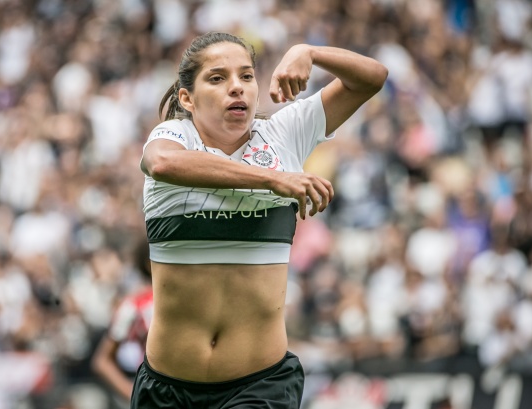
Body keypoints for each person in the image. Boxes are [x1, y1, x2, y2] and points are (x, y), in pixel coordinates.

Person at [134, 32, 388, 408]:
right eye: (218, 78)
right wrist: (274, 179)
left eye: (246, 76)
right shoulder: (175, 137)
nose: (236, 87)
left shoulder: (285, 134)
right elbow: (162, 163)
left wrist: (310, 52)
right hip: (166, 388)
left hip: (260, 385)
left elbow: (372, 77)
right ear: (187, 98)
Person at [91, 240, 153, 405]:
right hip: (158, 396)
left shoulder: (190, 297)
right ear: (149, 263)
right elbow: (102, 360)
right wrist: (134, 394)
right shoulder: (134, 305)